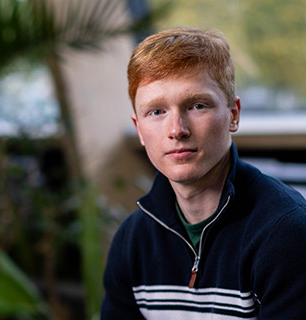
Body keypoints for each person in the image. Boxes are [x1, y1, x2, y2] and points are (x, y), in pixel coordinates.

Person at [101, 27, 306, 319]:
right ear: (139, 130)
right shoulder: (132, 240)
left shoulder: (285, 233)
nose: (176, 130)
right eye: (157, 112)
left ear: (233, 114)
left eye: (197, 105)